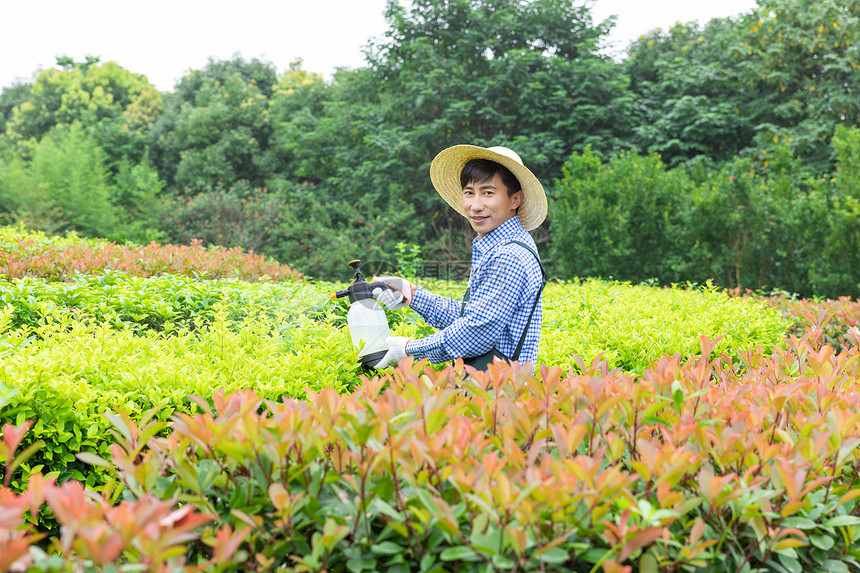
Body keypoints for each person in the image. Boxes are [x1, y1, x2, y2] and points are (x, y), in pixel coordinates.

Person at [372, 144, 547, 371]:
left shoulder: (508, 256)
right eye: (469, 192)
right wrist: (412, 294)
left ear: (515, 199)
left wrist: (408, 349)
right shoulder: (503, 245)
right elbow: (475, 316)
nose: (475, 206)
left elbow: (475, 333)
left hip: (498, 392)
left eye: (488, 193)